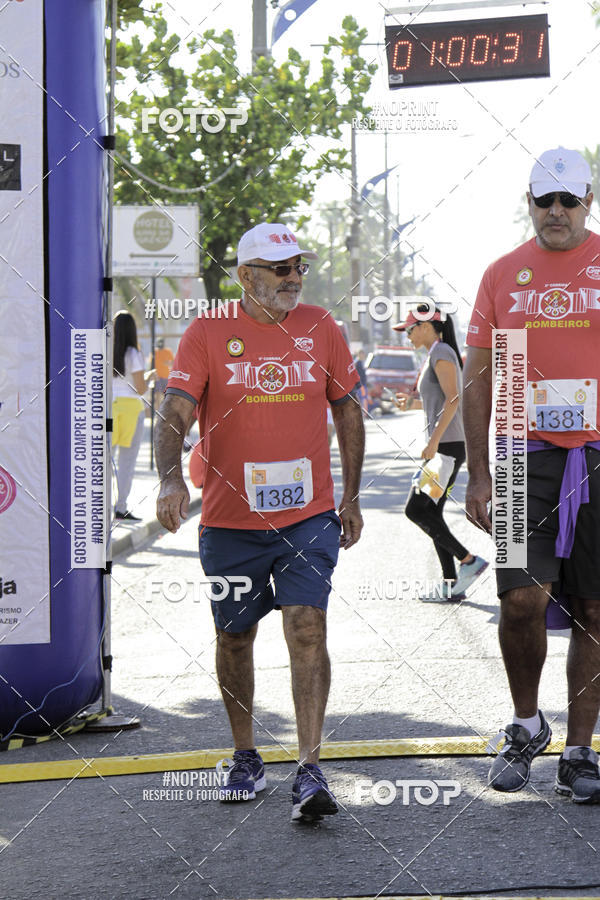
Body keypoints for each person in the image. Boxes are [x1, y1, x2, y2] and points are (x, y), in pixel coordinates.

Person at [155, 222, 365, 822]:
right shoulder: (208, 332)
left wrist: (350, 496)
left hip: (308, 516)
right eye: (280, 268)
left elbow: (347, 410)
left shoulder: (322, 328)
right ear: (246, 276)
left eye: (298, 265)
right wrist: (171, 477)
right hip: (229, 522)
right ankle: (246, 754)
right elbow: (175, 412)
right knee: (234, 637)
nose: (294, 277)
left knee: (306, 626)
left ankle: (309, 767)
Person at [464, 147, 600, 803]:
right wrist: (479, 474)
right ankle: (526, 725)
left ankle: (580, 751)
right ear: (529, 204)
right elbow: (480, 377)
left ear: (587, 202)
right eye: (543, 200)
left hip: (598, 457)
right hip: (523, 459)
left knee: (596, 610)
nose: (555, 212)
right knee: (521, 599)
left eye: (567, 200)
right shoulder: (502, 276)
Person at [393, 306, 487, 601]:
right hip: (445, 446)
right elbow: (442, 402)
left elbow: (454, 399)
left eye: (409, 329)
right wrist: (413, 405)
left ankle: (469, 561)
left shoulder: (441, 352)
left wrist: (433, 443)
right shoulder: (437, 352)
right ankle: (450, 585)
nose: (407, 335)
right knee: (430, 511)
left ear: (426, 326)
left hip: (445, 448)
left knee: (416, 510)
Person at [112, 310, 155, 521]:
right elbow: (139, 389)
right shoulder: (133, 353)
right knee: (126, 462)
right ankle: (120, 507)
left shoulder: (105, 351)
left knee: (104, 459)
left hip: (108, 407)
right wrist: (150, 378)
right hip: (131, 409)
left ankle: (99, 505)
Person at [354, 349, 369, 414]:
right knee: (361, 398)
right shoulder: (357, 362)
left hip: (363, 383)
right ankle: (361, 413)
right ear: (358, 354)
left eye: (363, 354)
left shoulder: (362, 362)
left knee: (364, 398)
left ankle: (364, 413)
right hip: (360, 384)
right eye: (361, 354)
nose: (363, 355)